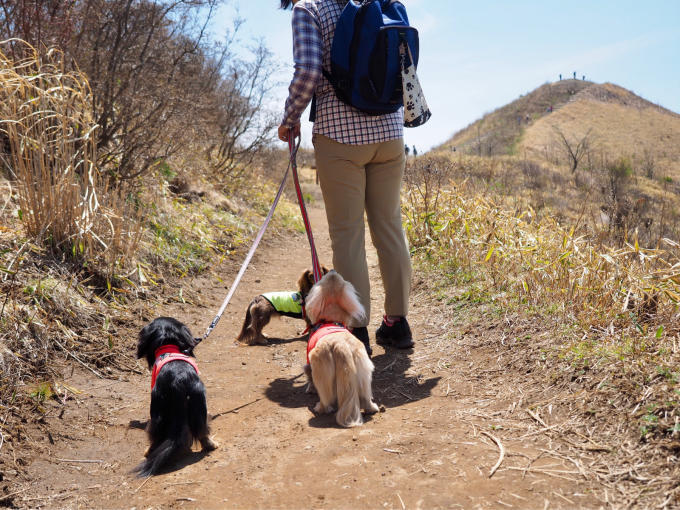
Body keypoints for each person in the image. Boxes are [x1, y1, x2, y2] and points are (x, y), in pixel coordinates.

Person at [278, 0, 414, 354]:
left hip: (340, 137)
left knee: (348, 236)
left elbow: (308, 72)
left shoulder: (309, 9)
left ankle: (357, 332)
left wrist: (290, 117)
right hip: (389, 132)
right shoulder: (382, 4)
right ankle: (397, 325)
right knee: (390, 227)